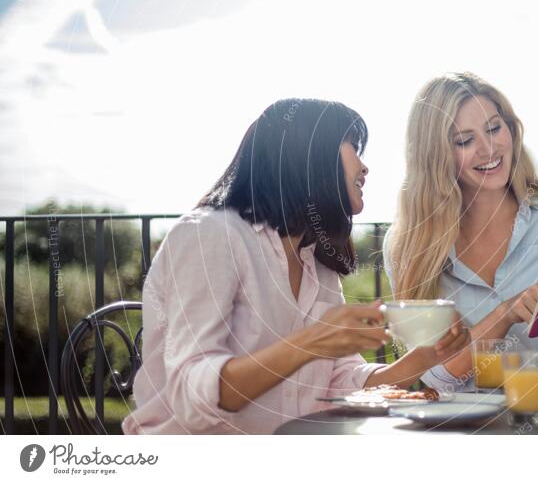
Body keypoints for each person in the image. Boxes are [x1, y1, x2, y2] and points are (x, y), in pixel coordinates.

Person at [122, 99, 469, 434]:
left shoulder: (318, 261)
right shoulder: (210, 235)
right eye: (352, 146)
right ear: (307, 153)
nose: (365, 167)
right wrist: (311, 342)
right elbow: (190, 396)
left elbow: (339, 381)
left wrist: (422, 359)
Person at [383, 72, 538, 392]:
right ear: (435, 155)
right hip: (469, 432)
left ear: (511, 129)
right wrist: (505, 314)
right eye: (464, 140)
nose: (488, 148)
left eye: (494, 128)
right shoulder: (408, 246)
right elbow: (439, 378)